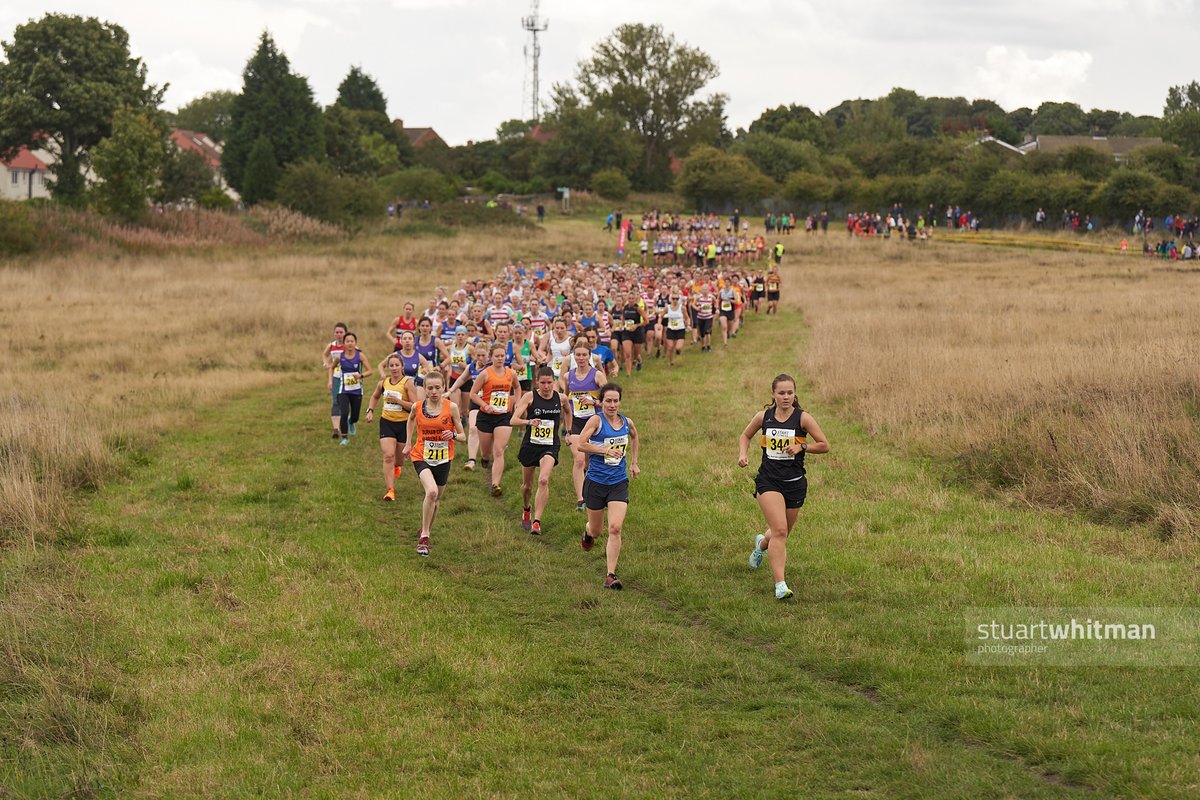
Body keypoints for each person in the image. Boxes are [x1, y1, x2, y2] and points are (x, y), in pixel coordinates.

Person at [737, 374, 829, 600]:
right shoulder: (763, 417)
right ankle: (780, 586)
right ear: (773, 395)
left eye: (790, 393)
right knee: (779, 531)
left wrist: (802, 446)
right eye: (781, 393)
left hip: (795, 484)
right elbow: (745, 435)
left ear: (794, 394)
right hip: (768, 481)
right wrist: (743, 454)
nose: (786, 397)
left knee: (782, 533)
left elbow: (825, 445)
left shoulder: (803, 419)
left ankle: (761, 544)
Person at [574, 384, 639, 590]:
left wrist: (634, 462)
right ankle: (587, 533)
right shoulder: (596, 420)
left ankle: (610, 575)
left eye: (615, 401)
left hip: (618, 482)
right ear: (601, 402)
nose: (612, 405)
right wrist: (605, 451)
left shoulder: (626, 422)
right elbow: (581, 444)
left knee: (615, 528)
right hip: (595, 482)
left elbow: (635, 437)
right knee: (596, 530)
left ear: (620, 401)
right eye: (608, 401)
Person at [402, 371, 465, 557]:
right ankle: (425, 537)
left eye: (438, 387)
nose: (434, 391)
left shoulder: (451, 407)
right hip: (421, 455)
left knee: (436, 501)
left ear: (444, 387)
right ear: (425, 390)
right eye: (430, 388)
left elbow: (463, 435)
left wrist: (453, 435)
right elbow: (411, 418)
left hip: (444, 458)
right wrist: (408, 442)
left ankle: (425, 529)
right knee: (431, 492)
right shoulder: (417, 406)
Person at [511, 366, 572, 535]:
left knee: (544, 480)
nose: (546, 387)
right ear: (537, 382)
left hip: (550, 445)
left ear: (554, 382)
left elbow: (568, 411)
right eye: (543, 383)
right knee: (527, 487)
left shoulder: (561, 398)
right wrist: (528, 422)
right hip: (531, 445)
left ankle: (537, 522)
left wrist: (568, 431)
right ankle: (526, 508)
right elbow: (513, 420)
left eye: (549, 383)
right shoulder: (530, 397)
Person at [469, 342, 521, 496]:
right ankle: (485, 459)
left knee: (498, 450)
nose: (500, 358)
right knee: (486, 452)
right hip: (485, 417)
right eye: (497, 356)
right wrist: (484, 405)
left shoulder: (511, 373)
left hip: (504, 417)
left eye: (502, 355)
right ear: (491, 357)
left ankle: (495, 484)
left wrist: (517, 402)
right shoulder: (485, 374)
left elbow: (517, 387)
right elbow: (473, 394)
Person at [561, 340, 606, 512]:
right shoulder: (568, 376)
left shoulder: (597, 376)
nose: (581, 358)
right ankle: (581, 499)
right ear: (573, 355)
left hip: (594, 422)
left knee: (590, 461)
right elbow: (566, 403)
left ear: (590, 356)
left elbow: (610, 400)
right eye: (578, 355)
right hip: (576, 422)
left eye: (584, 355)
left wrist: (594, 401)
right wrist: (567, 430)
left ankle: (594, 486)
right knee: (579, 459)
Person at [365, 353, 415, 501]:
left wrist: (399, 402)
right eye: (391, 365)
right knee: (388, 456)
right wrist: (370, 411)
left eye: (396, 365)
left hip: (403, 425)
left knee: (398, 460)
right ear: (388, 367)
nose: (394, 368)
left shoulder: (407, 383)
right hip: (386, 422)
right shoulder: (383, 382)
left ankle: (397, 466)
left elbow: (415, 405)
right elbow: (374, 397)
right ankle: (390, 490)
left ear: (402, 366)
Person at [336, 333, 372, 445]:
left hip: (357, 390)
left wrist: (361, 376)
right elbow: (331, 367)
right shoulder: (339, 357)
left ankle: (351, 422)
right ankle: (344, 438)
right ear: (344, 343)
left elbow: (370, 371)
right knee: (344, 412)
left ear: (355, 343)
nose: (350, 343)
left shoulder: (360, 356)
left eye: (352, 341)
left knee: (355, 416)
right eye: (347, 341)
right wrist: (330, 381)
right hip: (343, 390)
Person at [322, 322, 347, 439]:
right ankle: (336, 429)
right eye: (336, 332)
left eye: (341, 332)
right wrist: (326, 363)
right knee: (335, 402)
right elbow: (324, 355)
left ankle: (346, 423)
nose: (339, 334)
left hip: (347, 378)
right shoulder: (331, 345)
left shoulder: (349, 345)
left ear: (345, 333)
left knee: (345, 403)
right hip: (335, 376)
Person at [662, 291, 689, 366]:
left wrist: (688, 324)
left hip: (680, 329)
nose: (675, 300)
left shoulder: (682, 308)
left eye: (677, 299)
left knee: (678, 348)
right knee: (670, 347)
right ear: (670, 299)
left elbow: (687, 318)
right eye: (673, 298)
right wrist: (658, 323)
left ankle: (678, 351)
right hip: (671, 329)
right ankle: (671, 361)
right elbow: (661, 316)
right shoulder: (667, 307)